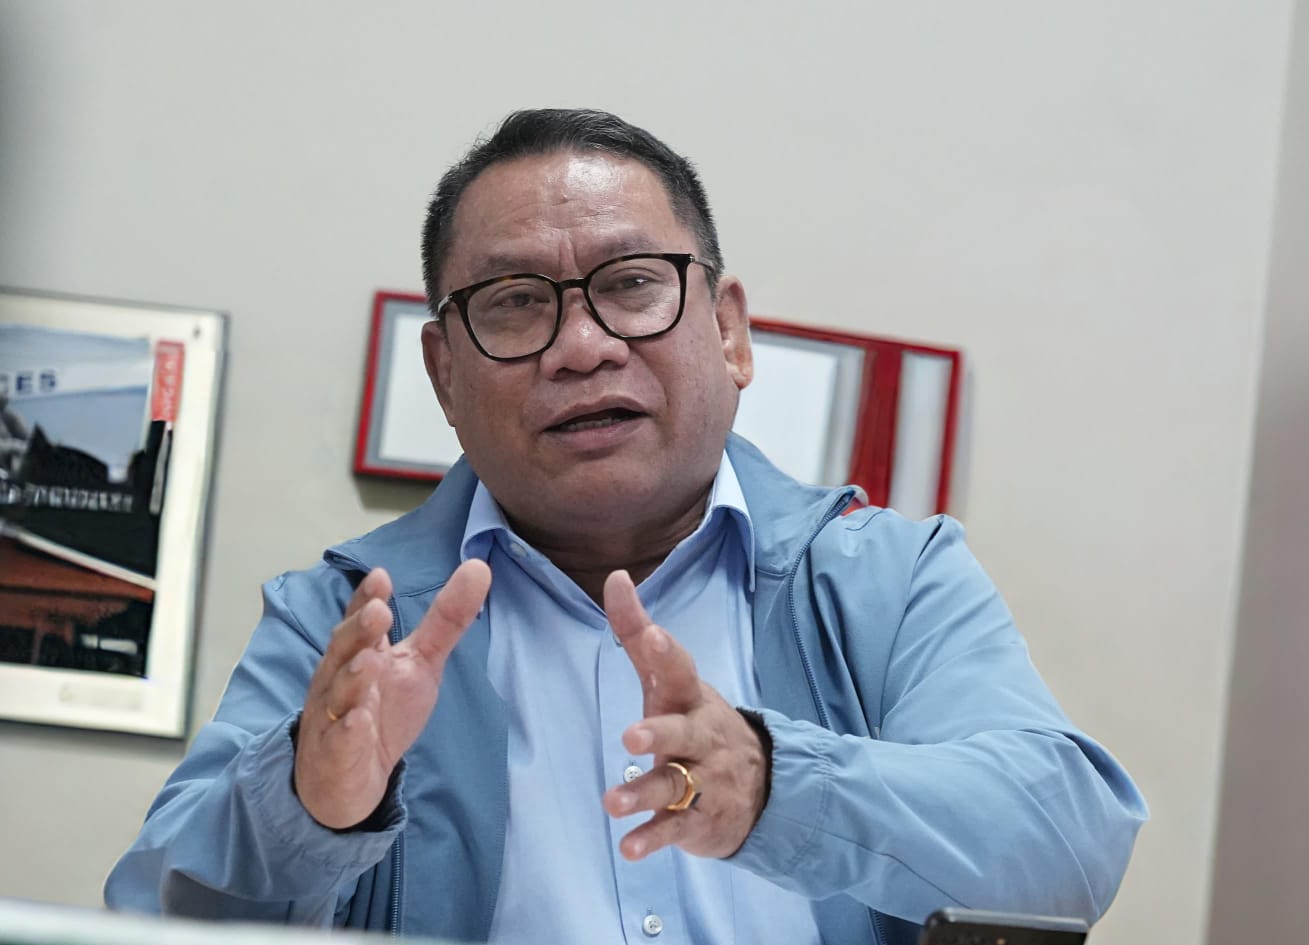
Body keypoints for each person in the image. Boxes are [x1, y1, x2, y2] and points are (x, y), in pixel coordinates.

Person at [105, 108, 1147, 945]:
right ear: (445, 373)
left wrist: (778, 786)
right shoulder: (347, 620)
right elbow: (151, 916)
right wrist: (305, 809)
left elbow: (1066, 846)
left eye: (632, 284)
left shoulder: (887, 579)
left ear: (728, 332)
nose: (581, 346)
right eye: (515, 302)